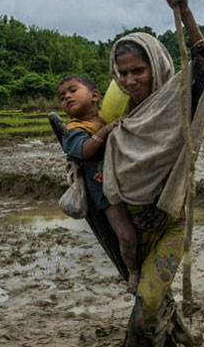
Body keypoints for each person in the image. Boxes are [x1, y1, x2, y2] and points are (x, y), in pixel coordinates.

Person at [100, 0, 204, 346]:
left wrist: (184, 10)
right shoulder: (121, 111)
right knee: (156, 301)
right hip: (130, 226)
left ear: (155, 66)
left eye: (138, 71)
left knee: (146, 306)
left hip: (169, 223)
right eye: (123, 73)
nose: (130, 80)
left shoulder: (178, 101)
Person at [56, 75, 140, 293]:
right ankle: (133, 270)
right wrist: (107, 130)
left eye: (72, 90)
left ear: (94, 96)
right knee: (126, 236)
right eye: (62, 97)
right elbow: (84, 151)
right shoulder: (74, 129)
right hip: (105, 192)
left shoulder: (109, 116)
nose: (67, 97)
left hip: (128, 183)